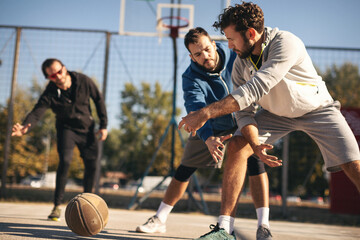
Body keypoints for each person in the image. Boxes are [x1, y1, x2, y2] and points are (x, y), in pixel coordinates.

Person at [179, 2, 360, 240]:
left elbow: (258, 86)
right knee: (236, 146)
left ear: (251, 34)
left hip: (317, 109)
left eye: (231, 39)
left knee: (353, 164)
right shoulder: (240, 63)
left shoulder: (285, 43)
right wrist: (254, 144)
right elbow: (244, 112)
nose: (229, 45)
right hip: (275, 114)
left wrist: (205, 113)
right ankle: (225, 230)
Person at [136, 27, 272, 239]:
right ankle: (160, 219)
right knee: (184, 169)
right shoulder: (190, 77)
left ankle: (263, 226)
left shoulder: (236, 56)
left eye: (207, 49)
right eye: (198, 54)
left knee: (256, 164)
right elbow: (194, 107)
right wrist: (207, 137)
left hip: (244, 119)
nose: (205, 56)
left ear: (214, 44)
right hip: (212, 126)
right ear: (191, 56)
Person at [12, 58, 108, 221]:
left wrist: (104, 124)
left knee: (92, 165)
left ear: (64, 68)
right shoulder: (50, 92)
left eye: (59, 71)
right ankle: (57, 205)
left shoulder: (83, 81)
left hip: (87, 129)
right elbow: (37, 111)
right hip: (66, 129)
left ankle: (88, 202)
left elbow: (98, 100)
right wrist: (26, 126)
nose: (58, 77)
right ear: (49, 78)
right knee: (65, 160)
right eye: (52, 76)